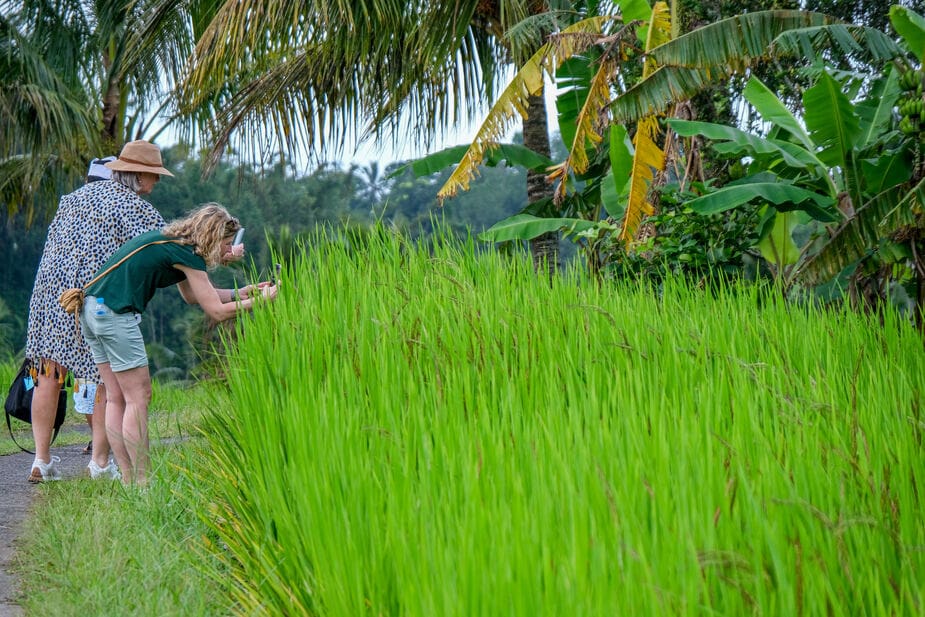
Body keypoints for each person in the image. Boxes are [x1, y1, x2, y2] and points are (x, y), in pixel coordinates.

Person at [79, 203, 277, 485]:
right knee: (139, 397)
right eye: (226, 243)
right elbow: (216, 312)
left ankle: (127, 479)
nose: (226, 250)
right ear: (213, 236)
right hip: (114, 314)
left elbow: (194, 297)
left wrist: (244, 292)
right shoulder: (188, 255)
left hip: (90, 309)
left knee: (116, 397)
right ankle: (143, 484)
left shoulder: (176, 245)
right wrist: (263, 300)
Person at [24, 141, 173, 483]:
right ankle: (100, 463)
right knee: (108, 381)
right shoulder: (135, 207)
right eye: (154, 177)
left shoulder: (73, 197)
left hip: (52, 292)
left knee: (50, 373)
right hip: (94, 296)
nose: (155, 185)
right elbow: (169, 249)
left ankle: (41, 460)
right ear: (137, 175)